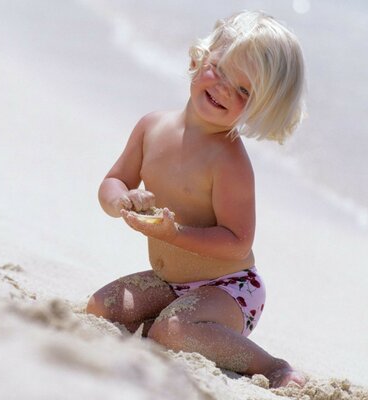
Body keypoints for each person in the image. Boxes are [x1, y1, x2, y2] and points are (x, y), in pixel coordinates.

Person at [86, 10, 306, 388]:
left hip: (228, 288)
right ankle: (167, 326)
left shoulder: (230, 162)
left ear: (259, 108)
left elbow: (238, 244)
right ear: (199, 58)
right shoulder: (152, 127)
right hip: (170, 280)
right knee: (100, 309)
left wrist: (174, 234)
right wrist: (121, 200)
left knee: (173, 332)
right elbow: (113, 181)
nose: (223, 88)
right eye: (220, 70)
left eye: (244, 91)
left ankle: (273, 367)